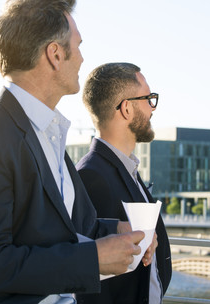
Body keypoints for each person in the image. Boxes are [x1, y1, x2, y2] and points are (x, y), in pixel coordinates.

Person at [0, 0, 146, 304]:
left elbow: (67, 229)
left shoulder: (49, 133)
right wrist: (92, 259)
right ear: (55, 54)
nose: (83, 57)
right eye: (78, 46)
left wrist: (119, 234)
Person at [76, 62, 172, 304]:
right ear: (127, 108)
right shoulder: (92, 176)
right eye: (148, 99)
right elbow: (94, 288)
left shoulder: (125, 169)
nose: (152, 108)